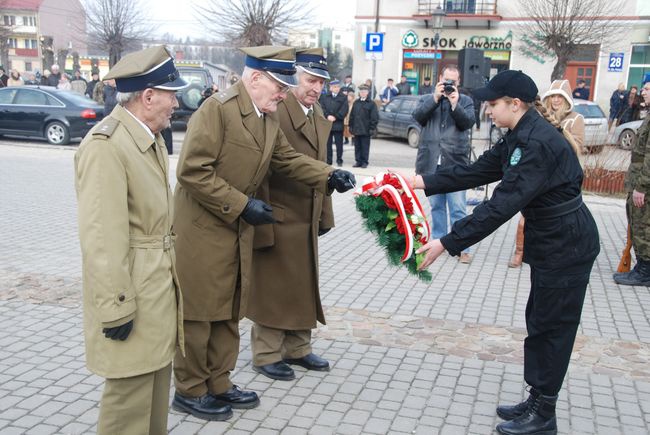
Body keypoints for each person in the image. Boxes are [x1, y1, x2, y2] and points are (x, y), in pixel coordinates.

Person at [404, 70, 599, 435]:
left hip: (567, 242)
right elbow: (476, 171)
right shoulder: (520, 135)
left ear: (516, 104)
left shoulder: (537, 144)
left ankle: (544, 415)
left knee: (554, 327)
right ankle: (537, 398)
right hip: (552, 239)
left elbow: (500, 206)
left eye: (493, 104)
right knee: (540, 321)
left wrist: (446, 242)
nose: (487, 110)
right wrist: (420, 181)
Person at [171, 45, 355, 421]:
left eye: (287, 87)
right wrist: (243, 205)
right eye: (279, 86)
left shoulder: (266, 118)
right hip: (204, 230)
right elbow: (192, 171)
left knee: (229, 309)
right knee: (200, 314)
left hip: (236, 228)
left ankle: (219, 382)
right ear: (255, 78)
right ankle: (190, 390)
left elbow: (286, 159)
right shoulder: (217, 110)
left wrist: (328, 175)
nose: (283, 93)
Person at [74, 45, 189, 435]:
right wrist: (115, 307)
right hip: (132, 296)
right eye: (171, 93)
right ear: (148, 96)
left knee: (154, 398)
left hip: (155, 289)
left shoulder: (149, 138)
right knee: (128, 407)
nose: (177, 102)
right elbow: (102, 238)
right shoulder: (106, 145)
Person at [247, 47, 335, 381]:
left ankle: (298, 347)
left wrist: (324, 213)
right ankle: (266, 352)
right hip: (279, 211)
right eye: (310, 79)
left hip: (306, 212)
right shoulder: (276, 111)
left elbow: (320, 164)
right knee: (274, 285)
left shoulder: (314, 110)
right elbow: (264, 167)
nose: (316, 88)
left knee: (303, 283)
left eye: (321, 82)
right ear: (293, 76)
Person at [508, 79, 586, 268]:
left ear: (566, 100)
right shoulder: (540, 118)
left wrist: (557, 136)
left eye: (560, 97)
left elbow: (577, 146)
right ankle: (520, 252)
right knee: (525, 218)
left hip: (563, 177)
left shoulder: (575, 119)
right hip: (539, 174)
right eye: (553, 96)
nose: (556, 100)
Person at [413, 65, 475, 264]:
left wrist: (455, 104)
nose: (449, 85)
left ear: (459, 82)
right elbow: (418, 117)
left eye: (453, 82)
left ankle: (463, 247)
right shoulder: (427, 98)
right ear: (439, 79)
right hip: (431, 162)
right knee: (437, 206)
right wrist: (435, 98)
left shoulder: (465, 100)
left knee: (458, 207)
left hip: (455, 162)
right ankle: (439, 242)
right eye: (446, 81)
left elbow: (467, 124)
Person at [614, 82, 650, 286]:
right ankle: (642, 266)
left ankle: (645, 271)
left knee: (643, 225)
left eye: (647, 89)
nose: (642, 92)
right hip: (639, 180)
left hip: (644, 185)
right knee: (637, 223)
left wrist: (641, 187)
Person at [319, 79, 349, 166]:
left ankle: (339, 160)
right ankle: (329, 160)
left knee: (339, 144)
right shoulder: (325, 96)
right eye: (334, 87)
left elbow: (344, 109)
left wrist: (336, 116)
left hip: (338, 124)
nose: (336, 88)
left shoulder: (343, 97)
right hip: (327, 123)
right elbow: (321, 107)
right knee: (328, 144)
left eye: (338, 87)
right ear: (330, 88)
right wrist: (327, 116)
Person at [349, 84, 378, 168]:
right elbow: (352, 115)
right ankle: (358, 161)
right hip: (357, 129)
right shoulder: (356, 102)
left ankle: (365, 162)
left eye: (364, 92)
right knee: (357, 146)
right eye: (361, 92)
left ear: (367, 93)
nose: (362, 93)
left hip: (366, 129)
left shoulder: (371, 104)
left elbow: (374, 117)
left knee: (365, 147)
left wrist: (372, 128)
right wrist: (351, 126)